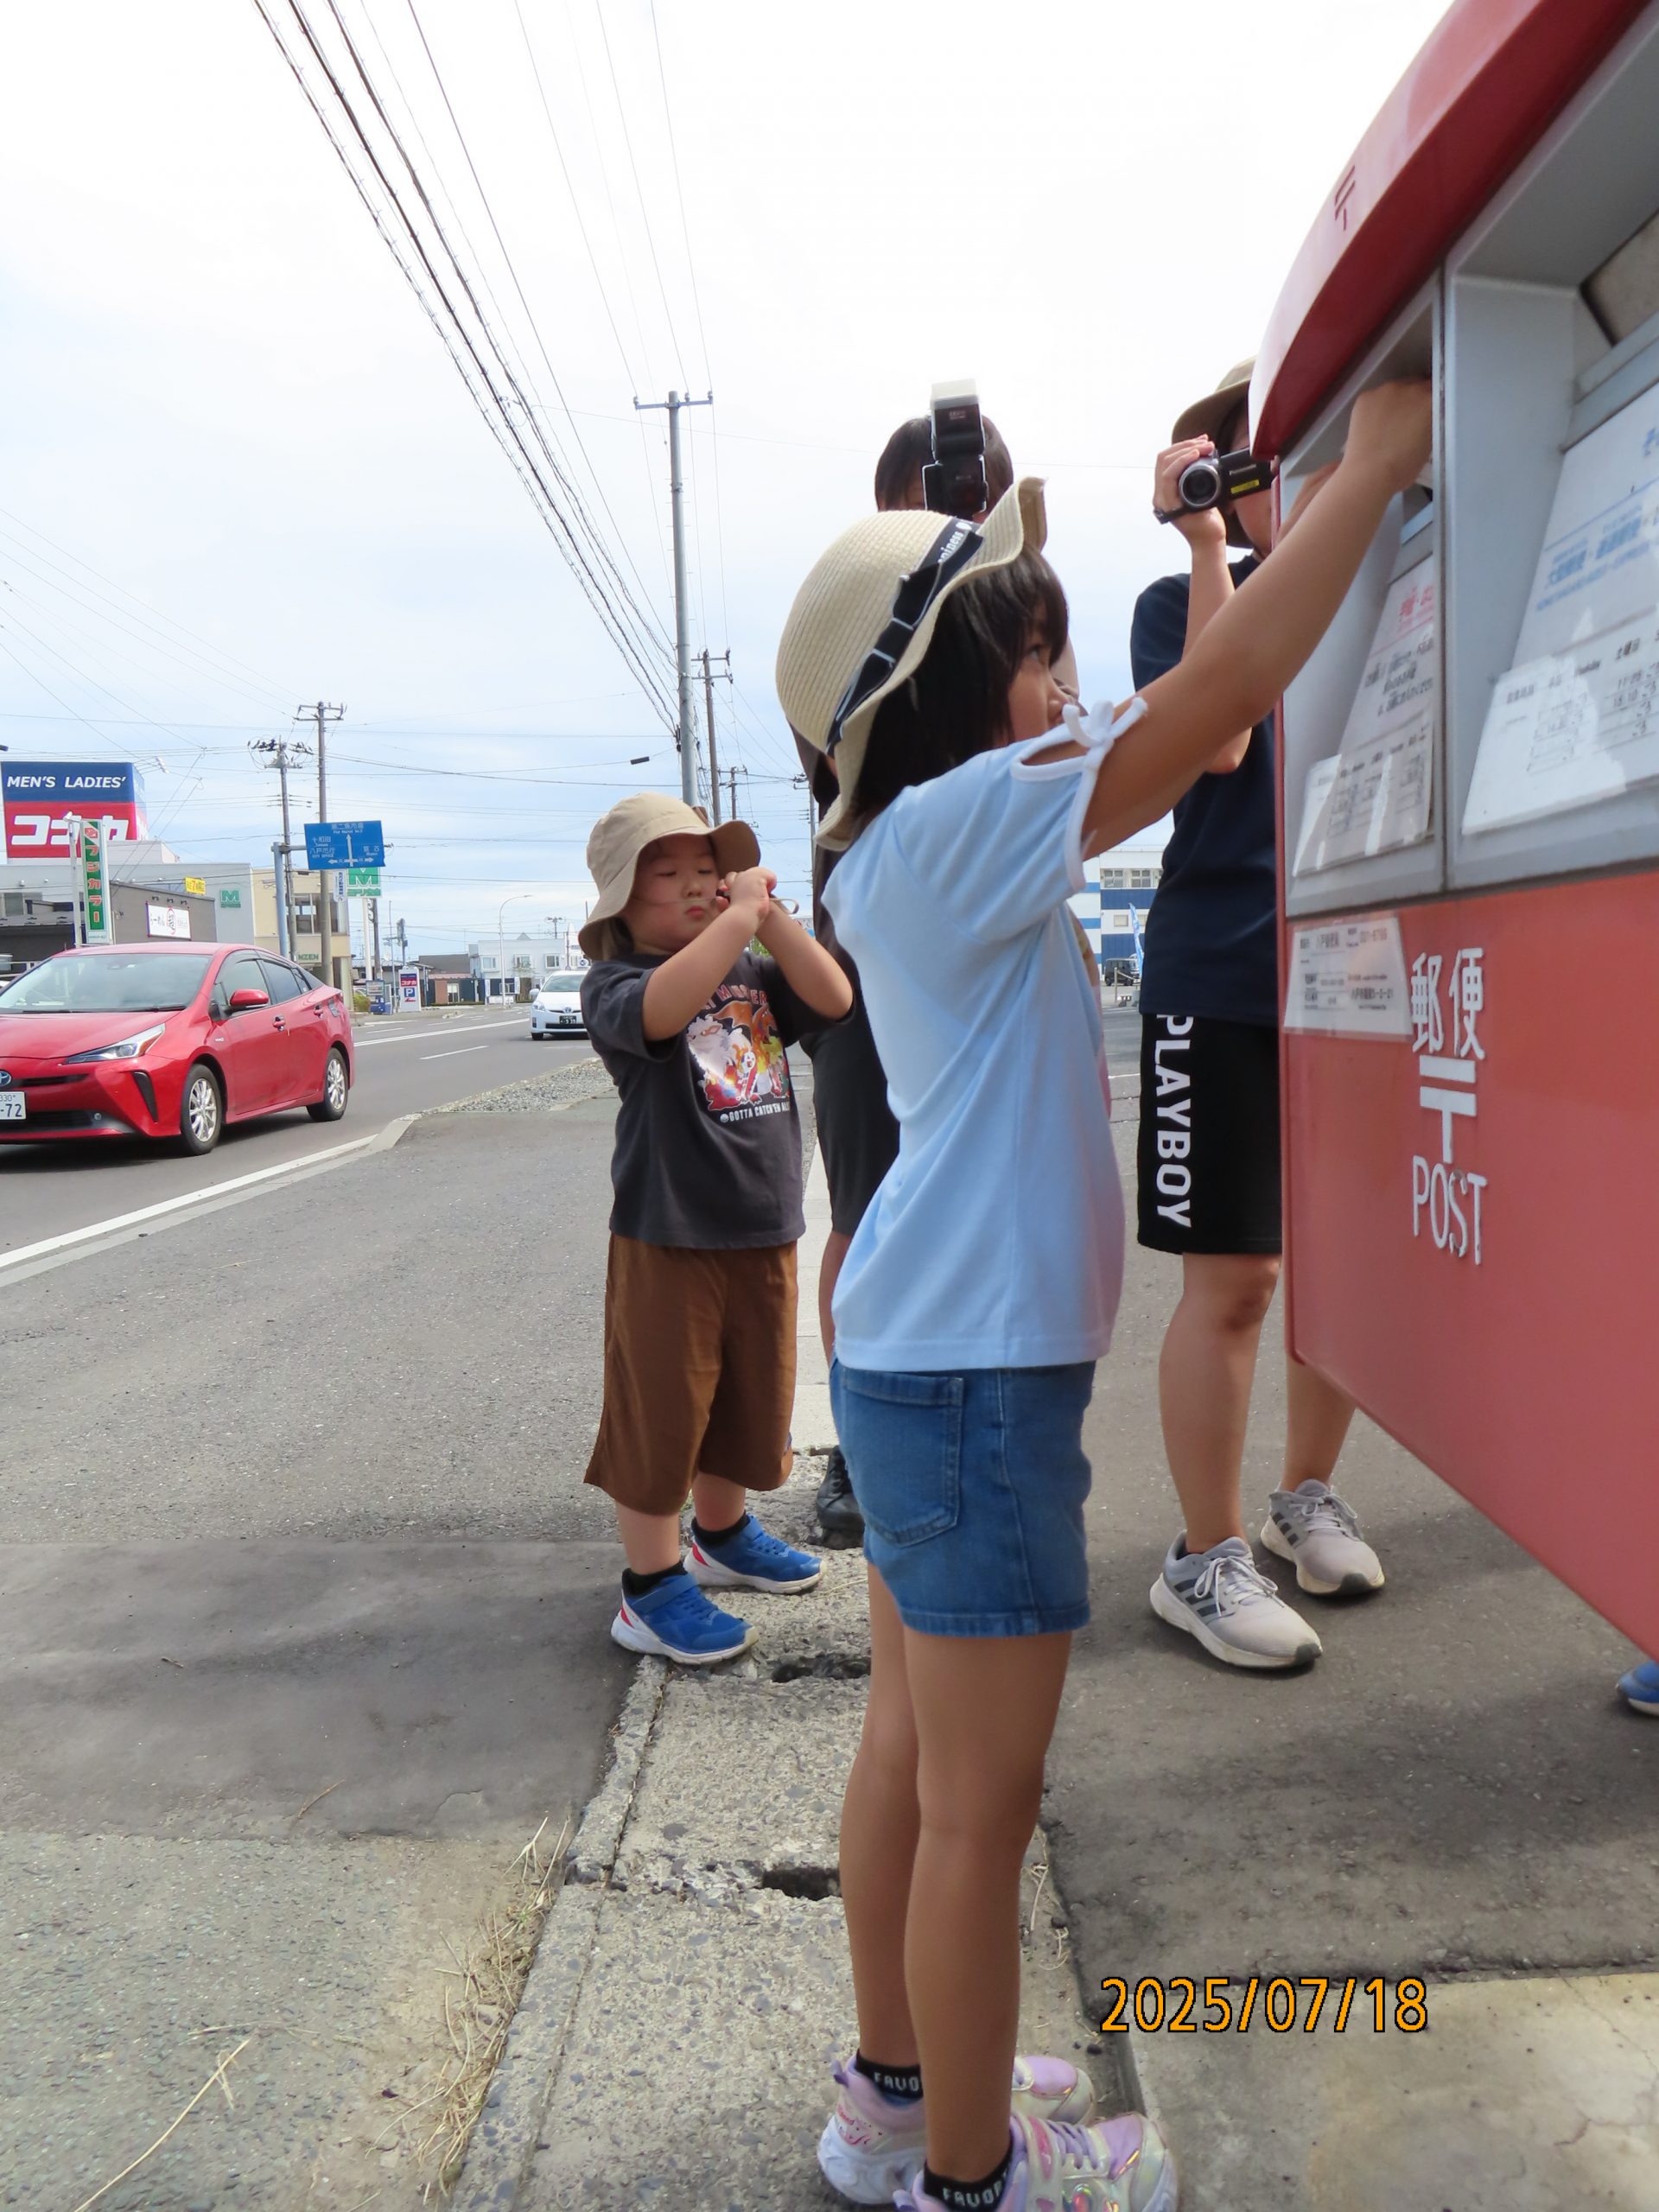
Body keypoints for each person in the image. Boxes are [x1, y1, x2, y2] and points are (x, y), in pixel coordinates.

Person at [776, 383, 1433, 2212]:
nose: (1069, 689)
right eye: (1041, 653)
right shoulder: (969, 823)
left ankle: (897, 2097)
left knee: (916, 1760)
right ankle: (977, 2177)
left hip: (925, 1363)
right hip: (976, 1386)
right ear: (952, 693)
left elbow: (1196, 714)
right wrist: (1379, 466)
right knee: (981, 1814)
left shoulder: (896, 847)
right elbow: (1222, 706)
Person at [1133, 359, 1385, 1673]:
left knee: (1339, 1260)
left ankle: (1305, 1498)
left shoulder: (1378, 581)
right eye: (1251, 454)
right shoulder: (1176, 600)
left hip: (1356, 967)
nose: (1281, 470)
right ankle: (1205, 1554)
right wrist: (1204, 549)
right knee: (1236, 1279)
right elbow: (1218, 740)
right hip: (1217, 973)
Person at [806, 409, 1078, 1546]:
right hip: (862, 974)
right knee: (867, 1204)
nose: (951, 520)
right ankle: (862, 1444)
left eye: (973, 498)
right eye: (924, 498)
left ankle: (886, 1440)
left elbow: (1062, 732)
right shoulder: (864, 624)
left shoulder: (1008, 638)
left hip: (955, 933)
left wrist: (1021, 600)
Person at [577, 794, 852, 1664]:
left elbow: (834, 997)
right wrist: (736, 920)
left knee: (745, 1400)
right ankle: (652, 1587)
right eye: (671, 874)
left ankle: (723, 1536)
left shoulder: (752, 972)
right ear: (623, 901)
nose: (699, 885)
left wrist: (771, 920)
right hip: (670, 1234)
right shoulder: (617, 985)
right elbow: (665, 1009)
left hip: (762, 1226)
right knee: (662, 1413)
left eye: (709, 869)